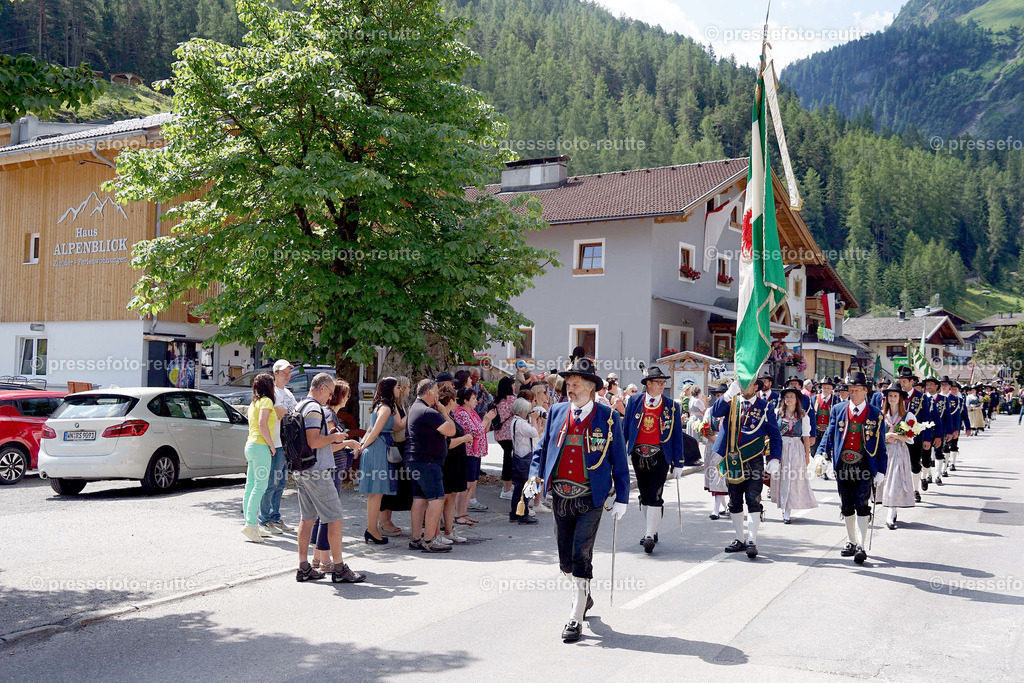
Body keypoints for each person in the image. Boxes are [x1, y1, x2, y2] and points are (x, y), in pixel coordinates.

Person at [523, 352, 630, 643]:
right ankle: (584, 595)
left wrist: (622, 496)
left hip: (590, 497)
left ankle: (574, 617)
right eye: (568, 383)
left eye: (576, 384)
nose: (570, 388)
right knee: (565, 562)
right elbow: (541, 451)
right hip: (560, 496)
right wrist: (534, 477)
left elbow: (619, 460)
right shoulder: (558, 411)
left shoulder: (608, 417)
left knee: (582, 556)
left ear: (591, 387)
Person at [295, 373, 365, 583]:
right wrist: (335, 438)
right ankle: (339, 568)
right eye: (331, 392)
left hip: (301, 469)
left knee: (307, 519)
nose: (331, 397)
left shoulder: (299, 406)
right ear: (323, 388)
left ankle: (304, 567)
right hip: (317, 470)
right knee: (335, 518)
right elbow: (314, 441)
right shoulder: (315, 409)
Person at [816, 371, 887, 565]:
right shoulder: (838, 409)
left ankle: (862, 546)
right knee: (846, 504)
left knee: (862, 503)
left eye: (857, 389)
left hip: (864, 463)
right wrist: (821, 453)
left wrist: (882, 470)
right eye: (850, 389)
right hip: (843, 464)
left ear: (865, 391)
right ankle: (851, 541)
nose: (853, 393)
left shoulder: (876, 414)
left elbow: (881, 445)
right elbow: (829, 434)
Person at [712, 377, 782, 559]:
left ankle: (752, 540)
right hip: (733, 459)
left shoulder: (765, 407)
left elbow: (775, 435)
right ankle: (739, 538)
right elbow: (715, 412)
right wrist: (728, 394)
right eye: (741, 384)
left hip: (754, 459)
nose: (743, 387)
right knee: (734, 500)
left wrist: (774, 458)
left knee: (753, 498)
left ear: (756, 386)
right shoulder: (731, 401)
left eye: (747, 384)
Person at [623, 364, 686, 554]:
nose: (662, 385)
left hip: (660, 455)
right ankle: (652, 528)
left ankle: (649, 534)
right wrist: (619, 454)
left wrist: (679, 462)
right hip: (638, 454)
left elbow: (677, 435)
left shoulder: (672, 405)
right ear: (648, 384)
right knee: (644, 495)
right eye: (658, 382)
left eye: (663, 382)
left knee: (655, 494)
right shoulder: (634, 401)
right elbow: (625, 428)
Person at [311, 380, 361, 568]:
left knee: (322, 515)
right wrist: (349, 444)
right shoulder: (330, 414)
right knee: (329, 516)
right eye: (347, 395)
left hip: (328, 468)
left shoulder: (326, 412)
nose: (348, 399)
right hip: (331, 469)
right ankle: (324, 560)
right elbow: (330, 446)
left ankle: (317, 558)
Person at [406, 379, 458, 553]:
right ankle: (429, 539)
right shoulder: (428, 412)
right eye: (436, 391)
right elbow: (451, 430)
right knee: (437, 499)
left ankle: (416, 538)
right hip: (427, 462)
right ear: (428, 392)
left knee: (419, 500)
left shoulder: (415, 407)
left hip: (416, 460)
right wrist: (444, 411)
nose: (438, 395)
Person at [358, 377, 404, 545]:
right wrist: (362, 447)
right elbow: (375, 432)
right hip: (379, 449)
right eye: (397, 387)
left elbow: (370, 429)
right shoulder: (385, 409)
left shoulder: (381, 406)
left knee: (375, 493)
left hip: (376, 448)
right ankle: (372, 529)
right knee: (376, 493)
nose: (399, 390)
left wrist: (362, 446)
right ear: (390, 389)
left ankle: (372, 528)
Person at [259, 359, 297, 534]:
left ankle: (275, 517)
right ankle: (264, 519)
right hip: (276, 443)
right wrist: (293, 414)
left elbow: (296, 414)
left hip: (286, 444)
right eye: (284, 373)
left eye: (289, 373)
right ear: (275, 373)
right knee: (271, 482)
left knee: (281, 483)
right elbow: (285, 414)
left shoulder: (287, 393)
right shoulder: (272, 393)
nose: (288, 376)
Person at [771, 387, 816, 523]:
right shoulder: (777, 414)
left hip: (796, 447)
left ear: (797, 400)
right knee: (781, 478)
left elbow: (806, 437)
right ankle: (784, 507)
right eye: (787, 397)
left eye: (791, 396)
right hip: (781, 447)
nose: (789, 399)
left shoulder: (803, 416)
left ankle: (788, 509)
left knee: (791, 479)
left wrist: (807, 456)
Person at [243, 372, 277, 543]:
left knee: (250, 486)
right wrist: (272, 445)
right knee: (260, 486)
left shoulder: (253, 403)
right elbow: (263, 424)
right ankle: (250, 525)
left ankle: (251, 525)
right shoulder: (267, 402)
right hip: (261, 446)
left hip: (251, 445)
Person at [437, 385, 474, 543]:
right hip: (448, 461)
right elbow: (447, 443)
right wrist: (465, 439)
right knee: (444, 497)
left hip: (456, 461)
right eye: (455, 399)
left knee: (451, 497)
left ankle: (449, 530)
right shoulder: (441, 416)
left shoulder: (449, 415)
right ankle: (438, 531)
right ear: (451, 400)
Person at [453, 386, 495, 524]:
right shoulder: (462, 413)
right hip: (468, 452)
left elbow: (483, 430)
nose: (476, 401)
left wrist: (487, 420)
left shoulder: (472, 413)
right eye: (473, 399)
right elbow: (476, 431)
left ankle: (463, 513)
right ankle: (458, 514)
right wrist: (486, 419)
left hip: (475, 452)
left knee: (471, 483)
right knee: (466, 484)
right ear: (465, 400)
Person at [877, 386, 916, 529]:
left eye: (895, 396)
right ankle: (884, 507)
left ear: (900, 399)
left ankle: (891, 513)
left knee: (895, 481)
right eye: (890, 396)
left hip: (899, 451)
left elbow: (911, 438)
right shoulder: (881, 415)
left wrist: (896, 436)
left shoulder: (908, 416)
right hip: (884, 451)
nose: (892, 399)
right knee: (883, 480)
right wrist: (886, 438)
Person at [380, 376, 412, 535]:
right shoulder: (389, 406)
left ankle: (387, 520)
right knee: (388, 485)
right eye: (401, 387)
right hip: (392, 446)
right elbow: (398, 425)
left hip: (399, 446)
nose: (405, 390)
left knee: (395, 485)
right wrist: (410, 414)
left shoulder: (398, 405)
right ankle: (383, 522)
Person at [896, 368, 928, 502]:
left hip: (916, 436)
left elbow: (926, 417)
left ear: (911, 382)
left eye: (905, 381)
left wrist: (927, 438)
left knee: (915, 464)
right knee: (898, 465)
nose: (902, 384)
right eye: (900, 381)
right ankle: (901, 490)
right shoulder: (896, 395)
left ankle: (915, 490)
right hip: (897, 436)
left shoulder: (920, 397)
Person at [508, 398, 541, 524]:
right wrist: (534, 420)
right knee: (526, 487)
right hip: (525, 458)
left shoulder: (516, 421)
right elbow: (535, 433)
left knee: (519, 487)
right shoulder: (521, 423)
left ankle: (515, 513)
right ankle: (523, 514)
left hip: (520, 457)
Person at [702, 383, 730, 519]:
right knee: (715, 477)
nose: (719, 398)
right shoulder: (710, 411)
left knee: (722, 476)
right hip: (713, 446)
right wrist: (715, 440)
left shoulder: (732, 411)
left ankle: (716, 510)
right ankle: (722, 506)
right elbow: (704, 428)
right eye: (717, 395)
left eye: (722, 396)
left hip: (728, 447)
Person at [493, 376, 517, 499]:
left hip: (500, 434)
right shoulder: (512, 399)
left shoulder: (498, 400)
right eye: (513, 384)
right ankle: (507, 489)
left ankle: (506, 487)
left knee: (507, 459)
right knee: (509, 462)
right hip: (510, 434)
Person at [530, 384, 552, 513]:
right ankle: (537, 502)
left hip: (538, 441)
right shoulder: (539, 409)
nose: (547, 394)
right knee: (540, 472)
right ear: (538, 394)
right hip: (540, 442)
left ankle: (537, 500)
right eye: (544, 392)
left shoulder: (539, 408)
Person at [942, 382, 971, 476]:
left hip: (955, 427)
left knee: (953, 446)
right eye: (952, 389)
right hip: (943, 427)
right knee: (944, 447)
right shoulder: (942, 399)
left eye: (955, 389)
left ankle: (953, 463)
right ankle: (944, 467)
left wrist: (967, 427)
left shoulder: (959, 401)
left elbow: (963, 415)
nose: (953, 391)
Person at [811, 377, 837, 481]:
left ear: (831, 389)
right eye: (824, 387)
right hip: (816, 429)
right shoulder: (815, 398)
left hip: (828, 429)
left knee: (826, 451)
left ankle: (824, 470)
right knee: (814, 451)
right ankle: (819, 465)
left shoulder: (835, 399)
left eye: (828, 388)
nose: (826, 390)